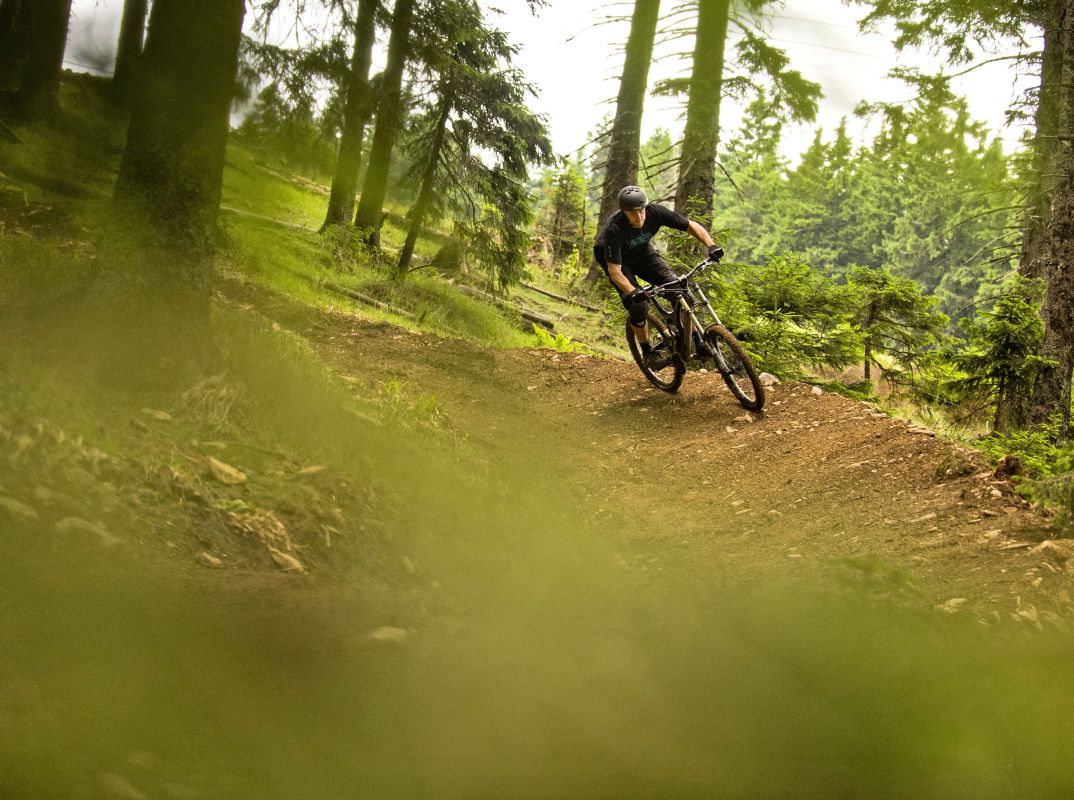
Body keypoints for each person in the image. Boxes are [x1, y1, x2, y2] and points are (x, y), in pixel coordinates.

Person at [593, 185, 723, 367]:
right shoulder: (614, 229)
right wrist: (633, 292)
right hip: (618, 261)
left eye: (641, 211)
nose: (638, 217)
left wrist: (711, 245)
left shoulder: (655, 212)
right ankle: (648, 353)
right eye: (632, 213)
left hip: (643, 252)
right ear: (624, 212)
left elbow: (690, 226)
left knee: (678, 290)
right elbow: (615, 272)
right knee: (637, 306)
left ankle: (698, 342)